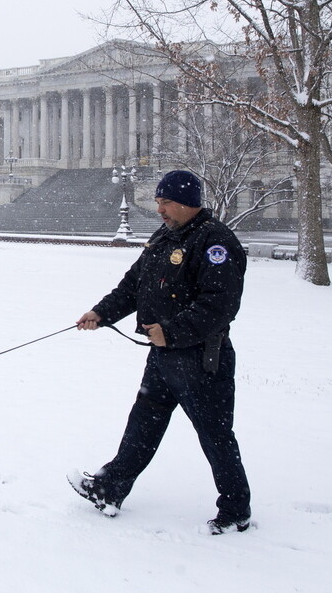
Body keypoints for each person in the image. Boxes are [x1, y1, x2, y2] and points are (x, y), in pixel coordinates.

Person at [69, 169, 252, 534]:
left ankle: (235, 511)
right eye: (157, 202)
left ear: (187, 202)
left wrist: (171, 332)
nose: (160, 209)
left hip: (202, 359)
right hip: (164, 357)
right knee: (143, 425)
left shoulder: (215, 243)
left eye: (165, 202)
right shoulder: (165, 236)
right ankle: (109, 487)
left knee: (215, 435)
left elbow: (220, 305)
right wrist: (102, 312)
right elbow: (134, 285)